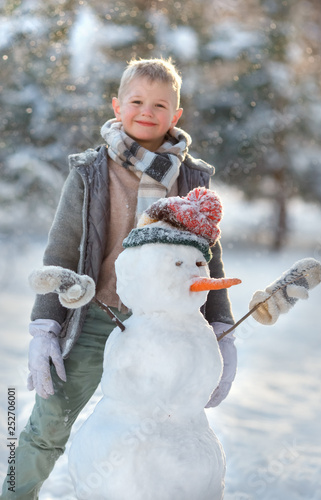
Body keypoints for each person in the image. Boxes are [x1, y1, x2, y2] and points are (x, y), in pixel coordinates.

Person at [1, 58, 237, 499]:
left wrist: (222, 328)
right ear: (116, 104)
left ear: (177, 114)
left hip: (165, 327)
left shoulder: (190, 179)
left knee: (166, 431)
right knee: (49, 421)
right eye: (136, 101)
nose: (146, 111)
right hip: (94, 313)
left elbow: (210, 259)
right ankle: (14, 492)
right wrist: (45, 326)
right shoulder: (91, 173)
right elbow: (62, 251)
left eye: (160, 104)